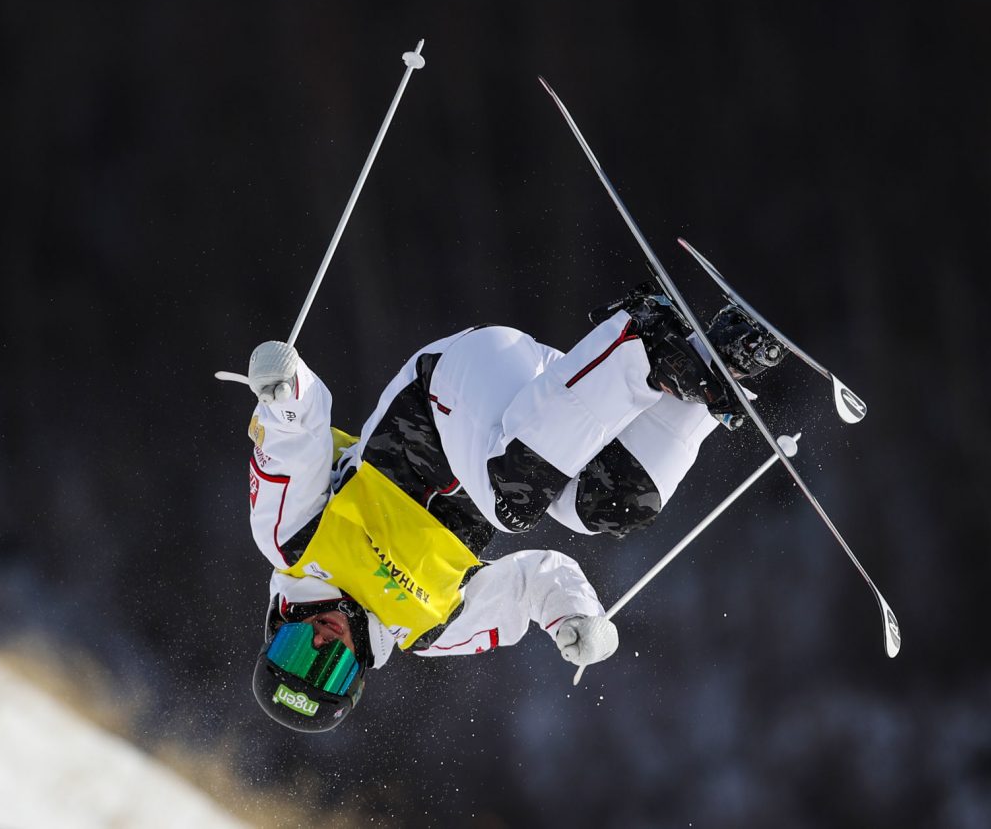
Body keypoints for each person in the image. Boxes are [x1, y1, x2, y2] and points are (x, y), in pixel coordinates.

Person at [244, 283, 784, 731]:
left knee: (512, 505)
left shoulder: (292, 541)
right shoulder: (431, 630)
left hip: (456, 382)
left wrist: (284, 390)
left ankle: (643, 336)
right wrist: (572, 616)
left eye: (297, 651)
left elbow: (297, 440)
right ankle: (719, 363)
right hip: (540, 415)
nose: (323, 641)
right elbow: (532, 584)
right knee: (607, 507)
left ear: (278, 628)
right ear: (356, 677)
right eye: (330, 668)